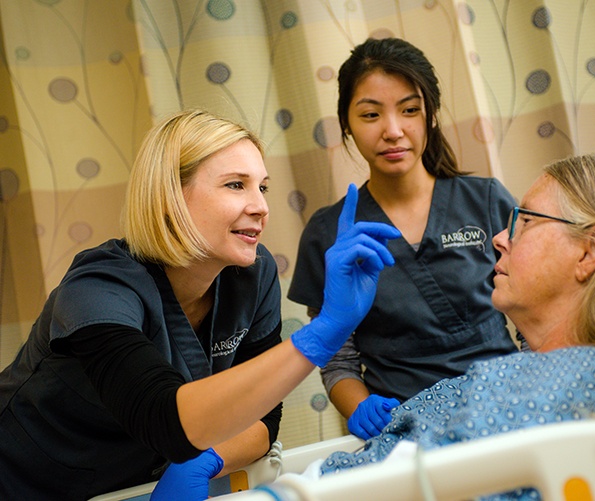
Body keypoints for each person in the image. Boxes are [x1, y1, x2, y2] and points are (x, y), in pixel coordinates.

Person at [0, 109, 400, 501]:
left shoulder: (252, 278)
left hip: (132, 484)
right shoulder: (97, 288)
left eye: (262, 186)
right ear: (170, 197)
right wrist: (324, 330)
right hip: (24, 481)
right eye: (235, 185)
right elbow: (163, 417)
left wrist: (206, 458)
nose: (261, 206)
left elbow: (264, 419)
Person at [317, 154, 595, 500]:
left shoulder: (581, 380)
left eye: (526, 222)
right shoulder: (536, 374)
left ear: (588, 252)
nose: (499, 238)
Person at [288, 37, 518, 440]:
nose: (393, 131)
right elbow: (338, 360)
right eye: (371, 115)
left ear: (430, 115)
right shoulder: (328, 233)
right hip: (408, 429)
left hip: (511, 407)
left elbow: (538, 319)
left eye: (409, 110)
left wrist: (543, 392)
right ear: (347, 124)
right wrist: (361, 407)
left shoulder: (486, 201)